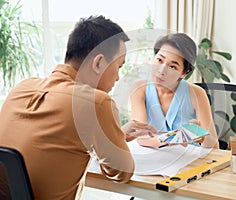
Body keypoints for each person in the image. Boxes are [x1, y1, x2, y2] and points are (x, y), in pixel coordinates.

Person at [0, 15, 156, 199]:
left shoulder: (22, 87)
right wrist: (115, 139)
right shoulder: (95, 102)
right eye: (119, 67)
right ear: (98, 63)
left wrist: (116, 134)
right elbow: (121, 173)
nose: (118, 77)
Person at [130, 33, 219, 148]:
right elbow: (142, 137)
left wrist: (201, 136)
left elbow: (213, 146)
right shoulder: (139, 90)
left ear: (184, 73)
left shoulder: (197, 93)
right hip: (156, 160)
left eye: (172, 67)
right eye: (159, 60)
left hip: (189, 161)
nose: (161, 71)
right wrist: (176, 137)